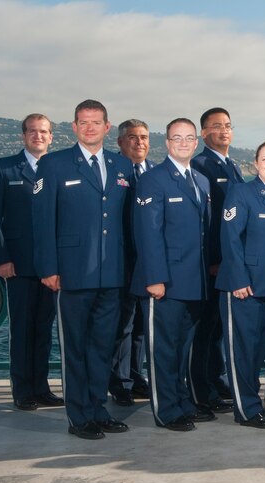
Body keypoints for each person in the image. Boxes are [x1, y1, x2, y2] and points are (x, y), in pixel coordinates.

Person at [33, 99, 132, 440]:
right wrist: (48, 267)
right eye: (83, 122)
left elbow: (128, 222)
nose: (90, 128)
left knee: (103, 347)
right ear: (74, 127)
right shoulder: (54, 164)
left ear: (107, 127)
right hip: (72, 272)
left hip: (112, 272)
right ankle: (79, 417)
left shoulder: (123, 166)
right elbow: (42, 221)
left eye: (96, 122)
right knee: (74, 347)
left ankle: (98, 409)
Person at [131, 118, 213, 432]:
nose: (183, 142)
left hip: (194, 281)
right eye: (176, 137)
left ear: (196, 143)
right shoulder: (153, 180)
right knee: (163, 349)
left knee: (182, 348)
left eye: (189, 137)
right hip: (163, 282)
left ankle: (182, 401)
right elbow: (148, 233)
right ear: (167, 143)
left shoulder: (201, 181)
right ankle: (166, 411)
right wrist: (154, 278)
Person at [0, 113, 62, 411]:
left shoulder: (56, 168)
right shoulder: (2, 168)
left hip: (50, 266)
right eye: (32, 131)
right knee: (23, 329)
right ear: (23, 135)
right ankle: (22, 390)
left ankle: (41, 388)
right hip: (18, 265)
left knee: (44, 328)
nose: (38, 136)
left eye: (43, 132)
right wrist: (1, 259)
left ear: (52, 137)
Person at [218, 141, 265, 430]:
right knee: (242, 350)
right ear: (255, 163)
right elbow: (230, 239)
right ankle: (247, 411)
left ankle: (253, 403)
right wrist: (239, 279)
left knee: (259, 349)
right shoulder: (242, 192)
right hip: (245, 287)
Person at [189, 107, 243, 414]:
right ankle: (201, 390)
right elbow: (206, 221)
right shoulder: (201, 165)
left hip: (228, 263)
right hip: (213, 264)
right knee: (204, 330)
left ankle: (216, 381)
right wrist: (213, 259)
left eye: (227, 125)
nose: (223, 131)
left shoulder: (231, 165)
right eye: (216, 126)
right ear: (204, 133)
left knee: (217, 329)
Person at [109, 118, 155, 407]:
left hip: (148, 261)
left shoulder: (154, 173)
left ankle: (137, 378)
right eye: (133, 138)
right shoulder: (113, 171)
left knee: (141, 325)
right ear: (120, 142)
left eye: (144, 137)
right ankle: (120, 382)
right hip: (122, 260)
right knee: (122, 325)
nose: (139, 143)